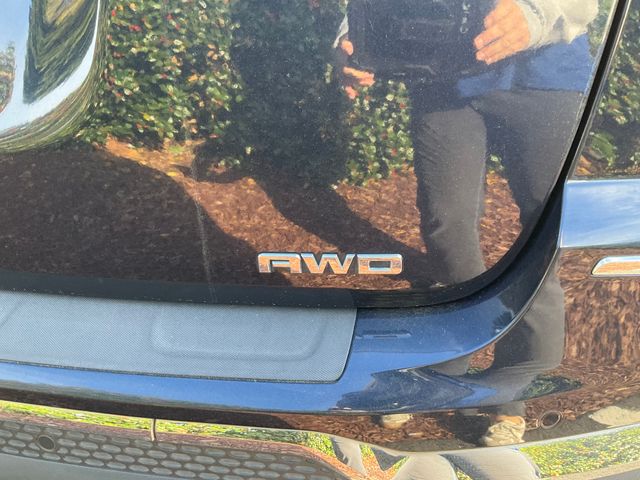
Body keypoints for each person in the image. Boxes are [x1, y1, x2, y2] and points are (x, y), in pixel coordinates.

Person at [337, 0, 599, 445]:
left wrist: (537, 15)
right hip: (441, 78)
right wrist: (353, 36)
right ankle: (448, 364)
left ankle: (513, 390)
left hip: (547, 77)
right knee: (446, 225)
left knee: (544, 232)